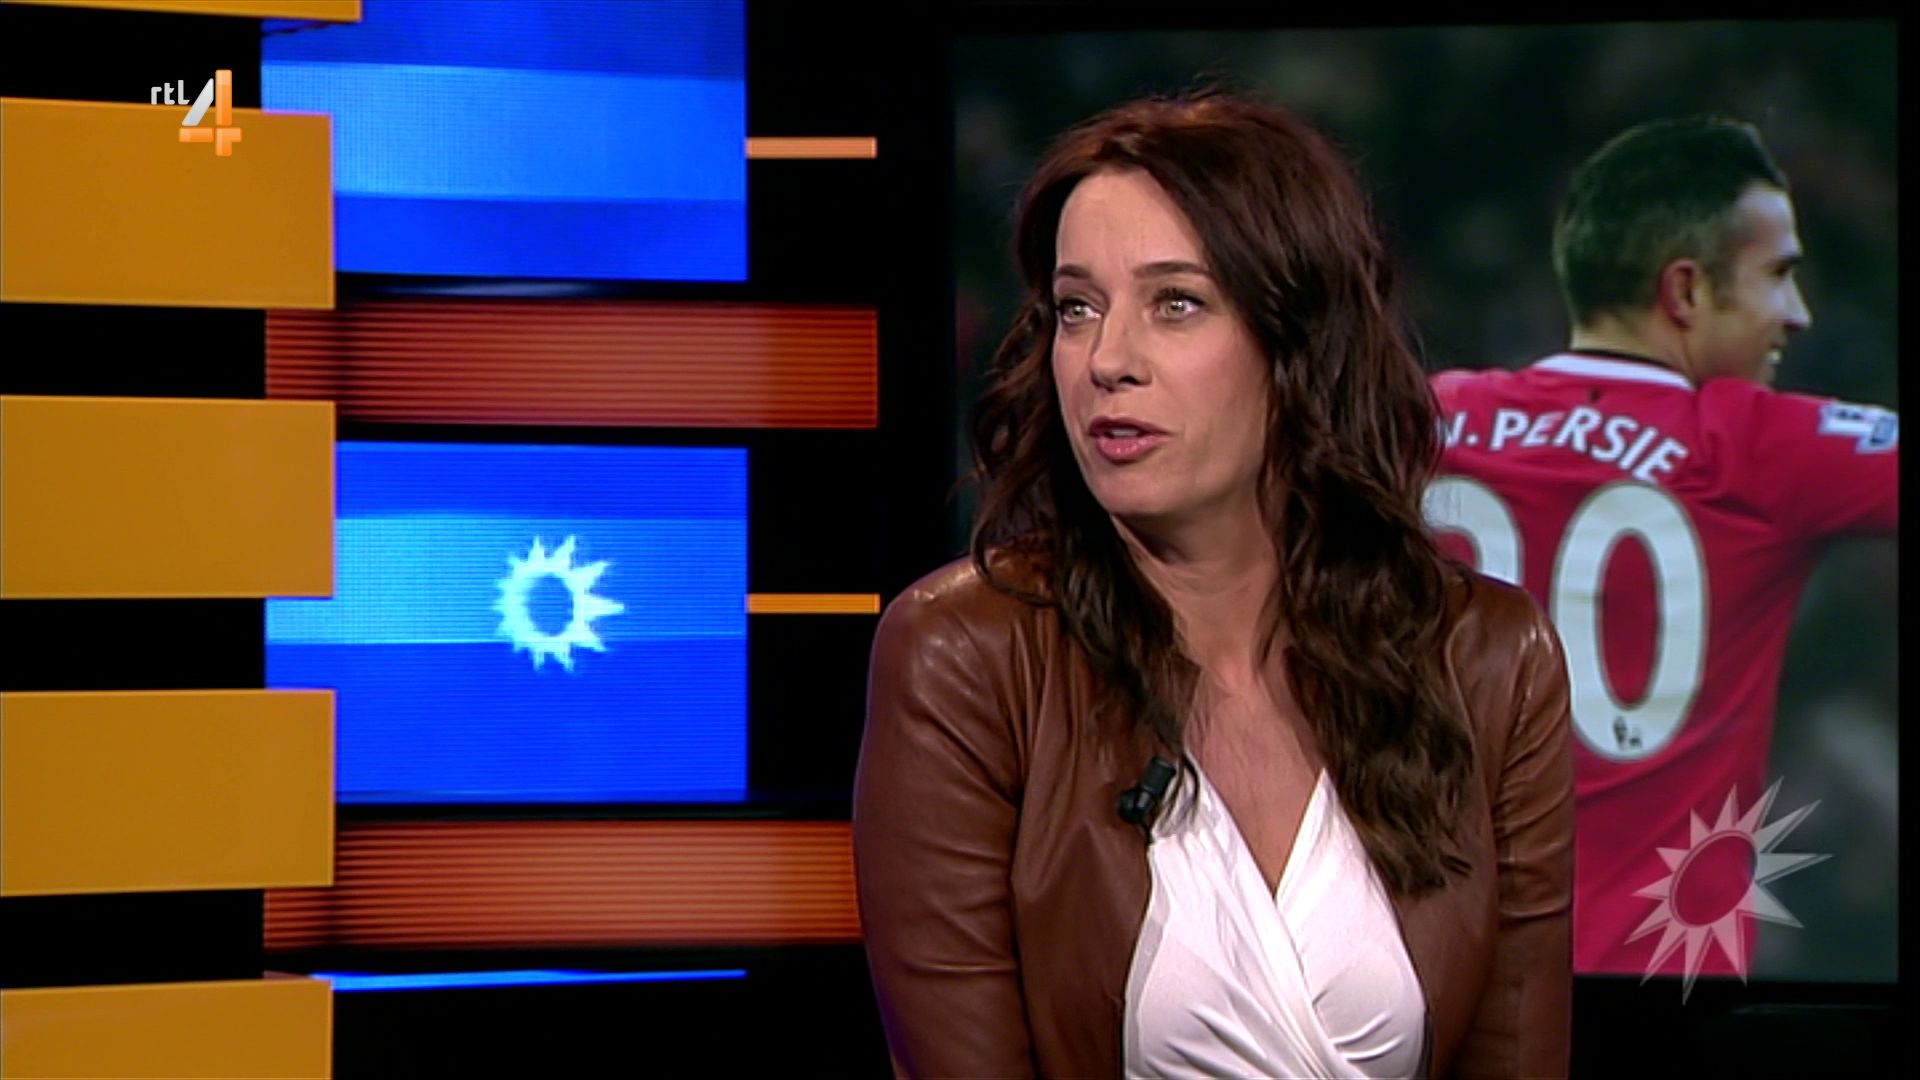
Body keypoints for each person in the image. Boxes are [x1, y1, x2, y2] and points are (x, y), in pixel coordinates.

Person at [854, 91, 1573, 1079]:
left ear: (1297, 342)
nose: (1107, 362)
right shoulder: (966, 659)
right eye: (1077, 308)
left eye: (1175, 304)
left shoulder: (1489, 661)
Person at [1426, 116, 1898, 979]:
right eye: (1778, 275)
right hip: (1654, 990)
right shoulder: (1755, 445)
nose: (1798, 313)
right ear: (1685, 292)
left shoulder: (1426, 419)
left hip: (1429, 996)